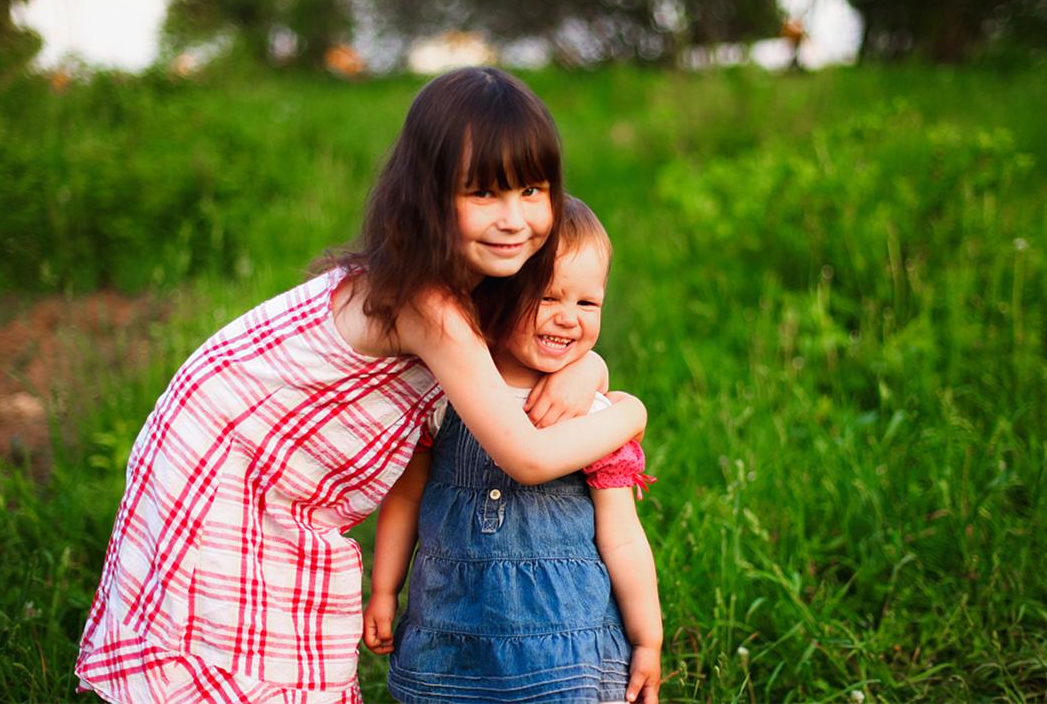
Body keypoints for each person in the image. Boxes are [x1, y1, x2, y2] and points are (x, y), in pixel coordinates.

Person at [74, 68, 648, 703]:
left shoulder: (460, 274)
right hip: (229, 469)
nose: (514, 218)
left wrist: (586, 368)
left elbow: (515, 348)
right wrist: (629, 409)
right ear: (426, 194)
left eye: (532, 190)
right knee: (247, 651)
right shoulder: (429, 303)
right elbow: (527, 455)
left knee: (289, 634)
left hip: (246, 455)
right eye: (483, 193)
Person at [363, 197, 663, 704]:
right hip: (450, 634)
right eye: (548, 298)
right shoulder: (444, 395)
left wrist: (647, 637)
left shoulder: (592, 414)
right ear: (493, 295)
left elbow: (623, 538)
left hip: (564, 647)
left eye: (587, 304)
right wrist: (385, 589)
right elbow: (406, 498)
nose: (569, 319)